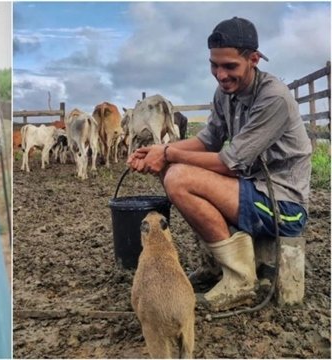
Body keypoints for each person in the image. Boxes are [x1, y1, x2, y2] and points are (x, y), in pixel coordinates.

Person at [127, 17, 311, 311]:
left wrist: (170, 154)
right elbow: (208, 141)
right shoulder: (226, 94)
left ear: (253, 59)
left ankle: (240, 281)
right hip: (251, 189)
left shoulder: (273, 97)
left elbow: (230, 162)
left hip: (283, 204)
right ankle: (215, 265)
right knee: (170, 170)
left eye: (230, 66)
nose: (221, 75)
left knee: (179, 178)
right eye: (215, 65)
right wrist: (159, 150)